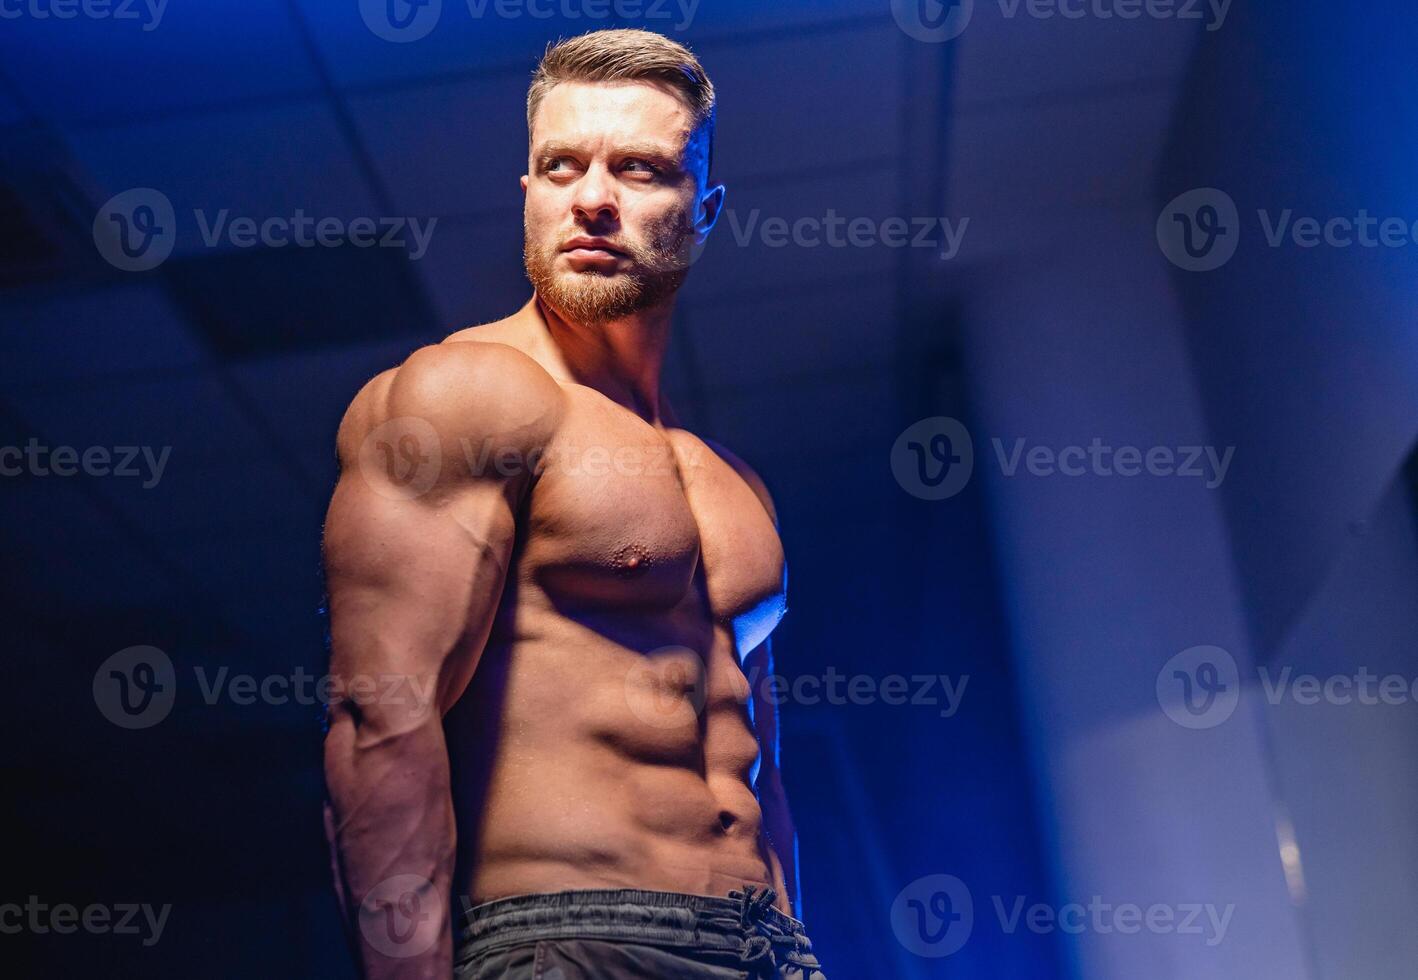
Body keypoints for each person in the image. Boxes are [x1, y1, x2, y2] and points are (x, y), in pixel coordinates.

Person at [321, 28, 826, 979]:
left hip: (765, 949)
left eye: (639, 170)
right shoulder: (465, 396)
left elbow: (761, 765)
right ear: (528, 197)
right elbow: (378, 719)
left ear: (703, 210)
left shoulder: (733, 484)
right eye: (562, 167)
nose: (593, 199)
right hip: (569, 937)